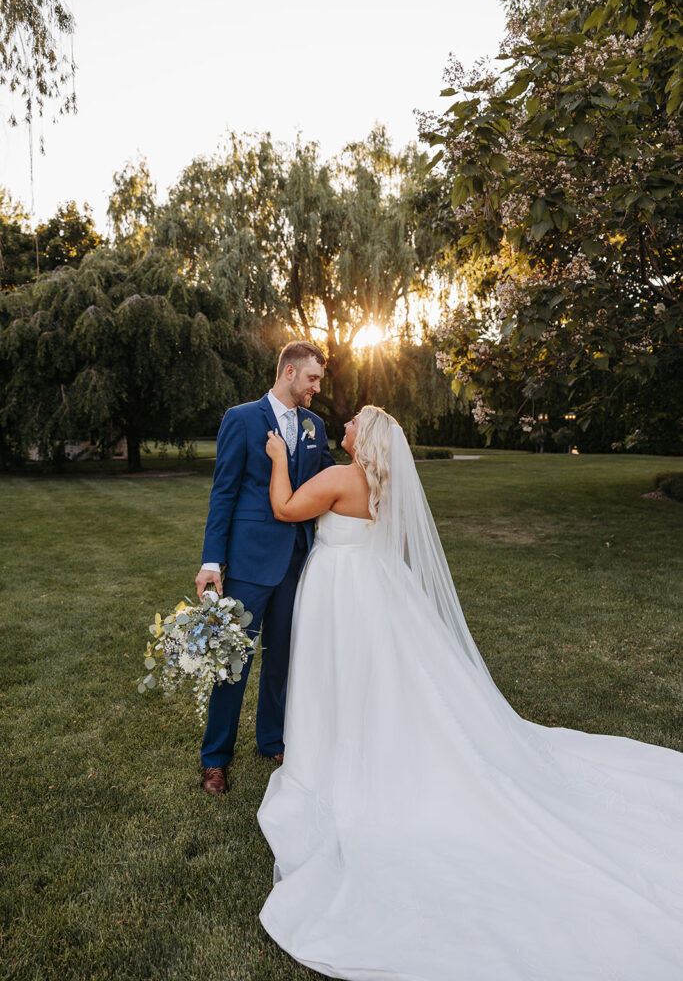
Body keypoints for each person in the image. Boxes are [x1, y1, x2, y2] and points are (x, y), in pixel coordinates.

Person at [257, 405, 683, 981]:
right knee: (380, 681)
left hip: (340, 596)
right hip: (378, 593)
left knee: (339, 678)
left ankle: (336, 755)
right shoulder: (386, 488)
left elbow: (284, 510)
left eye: (356, 421)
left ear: (367, 439)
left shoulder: (338, 477)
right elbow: (398, 544)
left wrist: (280, 459)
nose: (348, 425)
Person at [194, 340, 335, 795]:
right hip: (250, 562)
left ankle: (272, 739)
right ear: (289, 372)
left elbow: (328, 481)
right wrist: (211, 560)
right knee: (234, 663)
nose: (316, 387)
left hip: (299, 560)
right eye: (312, 378)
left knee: (282, 658)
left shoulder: (316, 426)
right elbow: (224, 492)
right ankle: (215, 758)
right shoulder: (242, 419)